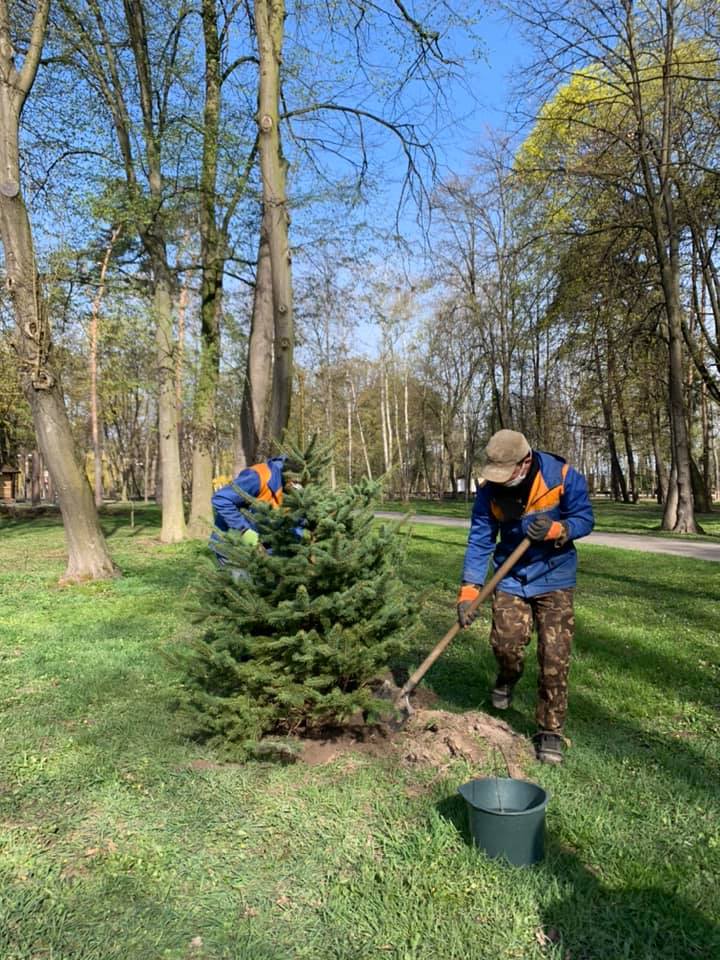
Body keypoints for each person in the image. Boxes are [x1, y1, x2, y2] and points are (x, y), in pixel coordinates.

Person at [457, 429, 594, 764]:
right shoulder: (489, 492)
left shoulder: (561, 476)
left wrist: (558, 530)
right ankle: (507, 676)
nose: (501, 481)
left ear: (525, 462)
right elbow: (480, 539)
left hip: (554, 576)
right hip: (511, 577)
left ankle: (549, 730)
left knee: (554, 658)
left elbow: (585, 518)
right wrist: (469, 590)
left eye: (507, 474)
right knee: (505, 645)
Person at [210, 455, 303, 564]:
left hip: (264, 545)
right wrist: (243, 530)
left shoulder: (292, 492)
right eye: (296, 483)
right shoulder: (259, 476)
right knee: (242, 579)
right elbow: (222, 498)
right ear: (288, 477)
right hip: (233, 543)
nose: (298, 487)